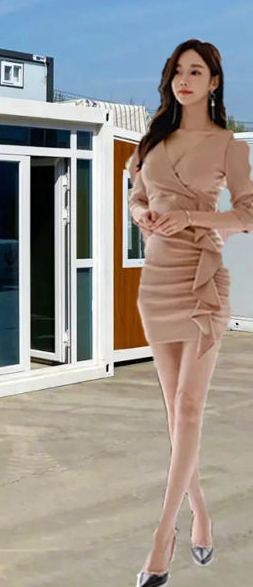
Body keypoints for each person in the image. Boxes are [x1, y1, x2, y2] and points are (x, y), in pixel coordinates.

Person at [126, 39, 253, 586]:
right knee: (175, 414)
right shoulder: (152, 141)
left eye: (196, 71)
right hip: (157, 281)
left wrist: (194, 219)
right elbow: (136, 194)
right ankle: (200, 513)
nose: (185, 79)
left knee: (191, 408)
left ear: (214, 82)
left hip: (203, 282)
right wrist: (141, 215)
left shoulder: (228, 145)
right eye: (178, 71)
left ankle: (164, 535)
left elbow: (248, 214)